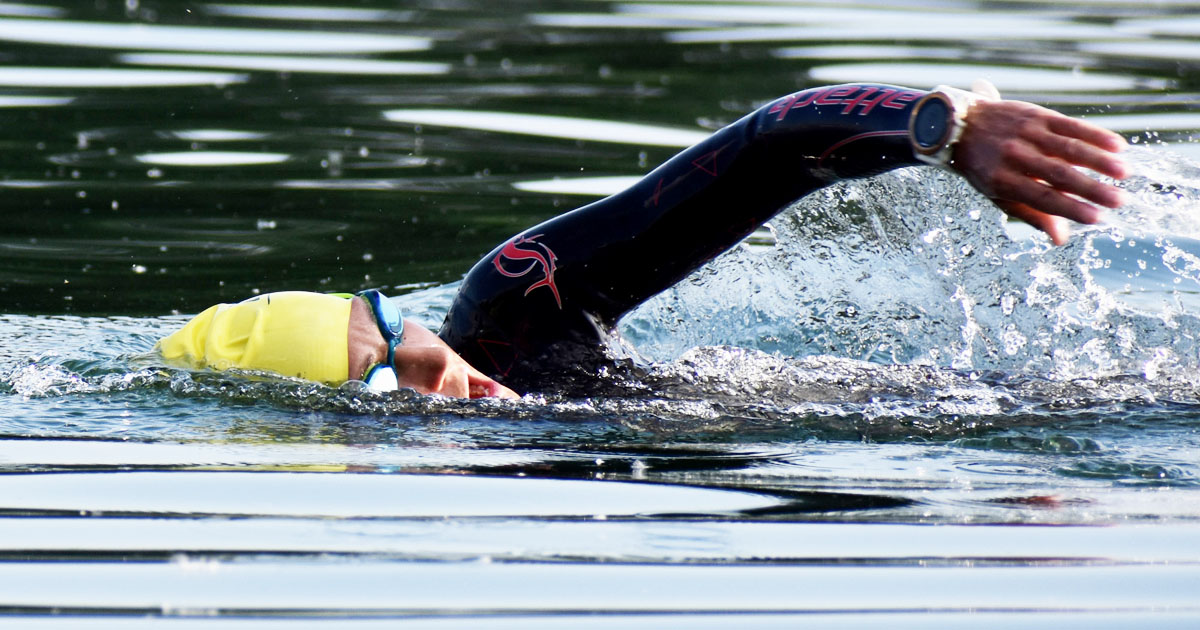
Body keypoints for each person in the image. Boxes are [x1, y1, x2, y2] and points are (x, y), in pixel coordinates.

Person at [156, 82, 1129, 400]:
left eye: (400, 342)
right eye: (386, 388)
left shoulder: (508, 312)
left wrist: (942, 125)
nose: (442, 380)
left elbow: (759, 152)